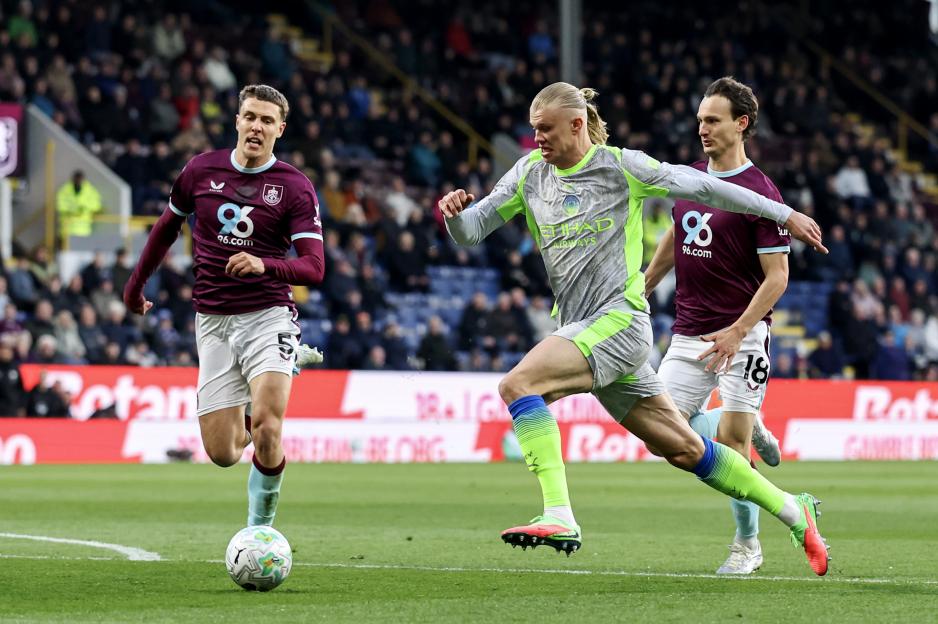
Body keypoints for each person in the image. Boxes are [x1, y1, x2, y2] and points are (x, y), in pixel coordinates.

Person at [438, 82, 830, 575]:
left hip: (619, 323)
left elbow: (706, 188)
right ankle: (795, 512)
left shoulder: (621, 167)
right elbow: (472, 231)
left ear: (576, 125)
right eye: (534, 129)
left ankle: (559, 514)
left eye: (546, 129)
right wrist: (454, 217)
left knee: (519, 384)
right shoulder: (528, 174)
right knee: (683, 449)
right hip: (583, 326)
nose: (537, 138)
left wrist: (784, 213)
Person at [123, 84, 325, 529]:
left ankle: (259, 530)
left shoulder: (294, 186)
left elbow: (314, 267)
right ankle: (284, 369)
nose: (257, 126)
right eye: (250, 116)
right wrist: (135, 287)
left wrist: (265, 264)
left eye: (267, 120)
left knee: (268, 427)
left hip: (268, 315)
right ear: (237, 121)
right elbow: (165, 228)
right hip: (213, 321)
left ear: (280, 129)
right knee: (224, 453)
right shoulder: (201, 170)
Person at [644, 77, 791, 575]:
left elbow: (777, 277)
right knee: (660, 436)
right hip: (689, 333)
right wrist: (645, 284)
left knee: (730, 447)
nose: (702, 129)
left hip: (743, 337)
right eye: (700, 120)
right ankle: (750, 424)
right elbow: (676, 233)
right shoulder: (689, 178)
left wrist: (737, 330)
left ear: (741, 123)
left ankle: (747, 546)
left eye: (713, 120)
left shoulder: (761, 193)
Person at [56, 170, 102, 240]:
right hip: (67, 230)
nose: (78, 181)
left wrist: (84, 207)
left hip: (84, 229)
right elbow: (60, 204)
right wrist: (73, 209)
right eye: (77, 179)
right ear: (73, 179)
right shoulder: (65, 190)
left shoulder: (90, 190)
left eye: (80, 179)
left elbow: (96, 205)